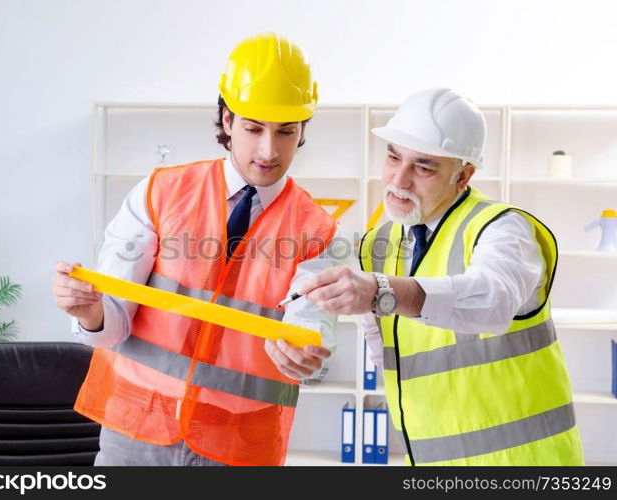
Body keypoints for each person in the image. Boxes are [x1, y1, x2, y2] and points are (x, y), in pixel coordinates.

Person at [51, 32, 341, 466]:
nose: (268, 150)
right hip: (137, 430)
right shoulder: (160, 193)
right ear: (227, 120)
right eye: (253, 128)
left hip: (238, 443)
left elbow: (310, 323)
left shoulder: (318, 230)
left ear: (302, 131)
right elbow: (112, 323)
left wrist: (305, 353)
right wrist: (90, 313)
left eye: (286, 132)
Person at [297, 88, 585, 466]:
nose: (398, 180)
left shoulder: (502, 229)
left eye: (423, 166)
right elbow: (384, 350)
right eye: (393, 156)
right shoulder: (377, 245)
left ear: (462, 174)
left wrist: (382, 292)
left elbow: (492, 300)